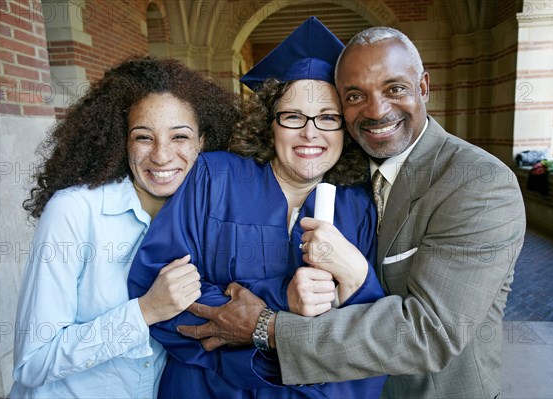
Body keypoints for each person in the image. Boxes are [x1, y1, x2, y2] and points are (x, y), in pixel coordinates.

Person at [179, 27, 527, 399]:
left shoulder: (478, 183)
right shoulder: (353, 172)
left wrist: (267, 327)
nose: (377, 110)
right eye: (356, 95)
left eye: (395, 88)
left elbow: (430, 333)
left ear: (423, 87)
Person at [127, 17, 386, 399]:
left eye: (328, 118)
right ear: (270, 123)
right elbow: (159, 285)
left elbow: (365, 332)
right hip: (207, 388)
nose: (310, 132)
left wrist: (263, 323)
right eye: (293, 116)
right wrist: (280, 308)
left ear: (345, 129)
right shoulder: (214, 177)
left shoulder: (359, 207)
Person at [10, 56, 240, 398]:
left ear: (203, 142)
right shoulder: (74, 212)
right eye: (144, 137)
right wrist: (146, 310)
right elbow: (33, 362)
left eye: (180, 137)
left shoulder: (208, 219)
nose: (162, 156)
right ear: (123, 141)